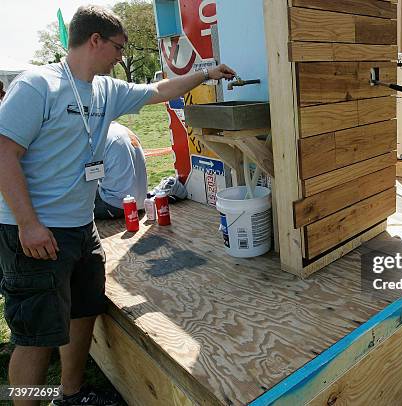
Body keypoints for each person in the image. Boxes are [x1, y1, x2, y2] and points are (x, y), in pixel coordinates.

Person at [0, 5, 235, 406]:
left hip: (80, 227)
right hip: (35, 231)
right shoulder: (38, 85)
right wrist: (28, 224)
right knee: (34, 337)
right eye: (118, 47)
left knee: (83, 312)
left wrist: (206, 74)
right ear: (95, 40)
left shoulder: (105, 89)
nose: (121, 57)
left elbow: (160, 90)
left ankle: (70, 394)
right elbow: (4, 152)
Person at [94, 122, 147, 220]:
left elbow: (90, 178)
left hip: (116, 205)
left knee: (69, 204)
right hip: (141, 202)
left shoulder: (98, 137)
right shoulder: (123, 129)